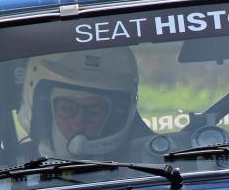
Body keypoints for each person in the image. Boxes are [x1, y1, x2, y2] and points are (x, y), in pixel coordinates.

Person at [18, 47, 146, 162]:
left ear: (112, 117)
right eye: (67, 109)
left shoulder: (142, 165)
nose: (78, 123)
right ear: (44, 111)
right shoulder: (13, 165)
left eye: (94, 112)